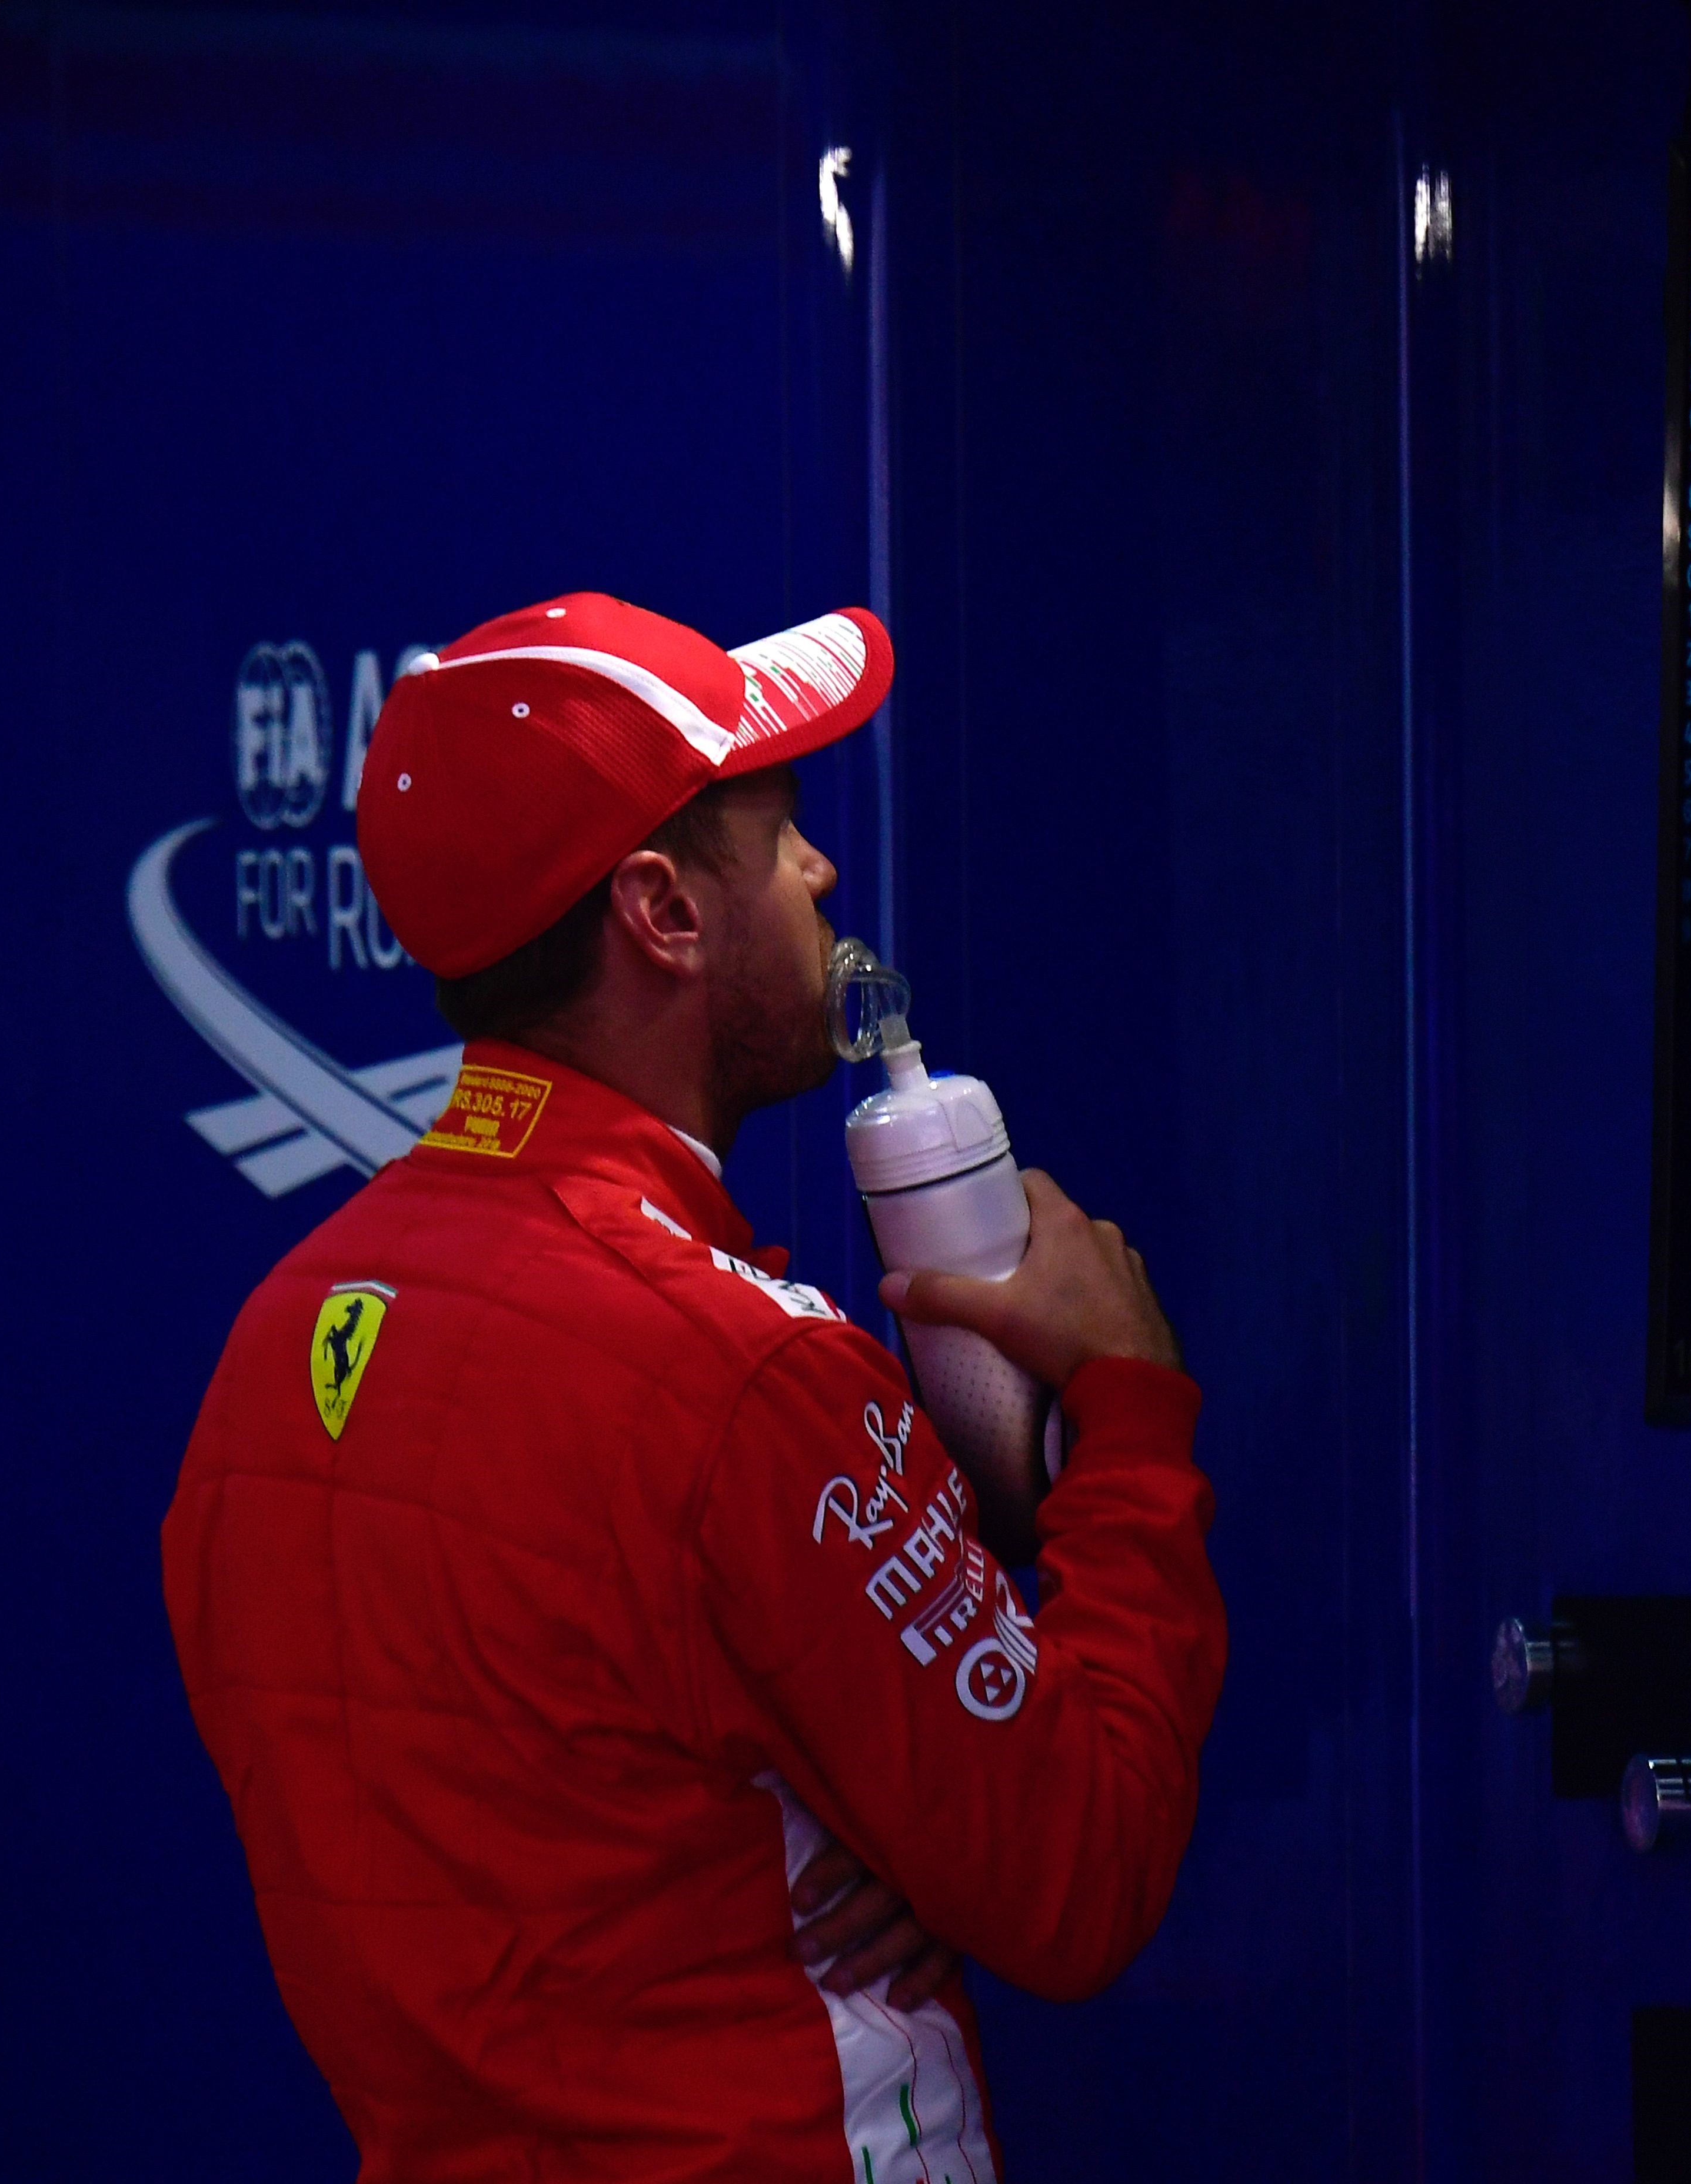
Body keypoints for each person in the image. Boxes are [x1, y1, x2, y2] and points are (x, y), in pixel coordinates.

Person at [162, 592, 1226, 2183]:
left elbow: (578, 1798)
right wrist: (1132, 1410)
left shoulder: (274, 1338)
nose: (822, 875)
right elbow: (1078, 1869)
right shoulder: (746, 1379)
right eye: (780, 829)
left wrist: (866, 1797)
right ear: (661, 909)